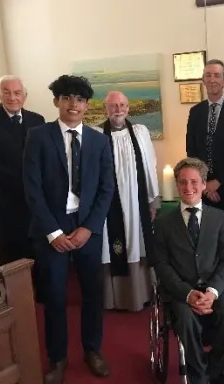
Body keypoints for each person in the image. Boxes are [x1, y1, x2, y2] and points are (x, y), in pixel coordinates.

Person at [23, 75, 115, 382]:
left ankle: (92, 349)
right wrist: (53, 232)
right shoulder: (37, 137)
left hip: (86, 227)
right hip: (52, 228)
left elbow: (106, 189)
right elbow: (32, 188)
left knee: (92, 292)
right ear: (56, 102)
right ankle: (58, 358)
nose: (73, 104)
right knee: (54, 296)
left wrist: (89, 228)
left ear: (87, 105)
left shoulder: (100, 140)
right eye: (66, 98)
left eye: (79, 99)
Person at [149, 157, 224, 384]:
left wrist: (213, 291)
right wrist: (187, 294)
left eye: (194, 182)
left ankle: (216, 370)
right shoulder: (163, 223)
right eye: (183, 182)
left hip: (215, 288)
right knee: (186, 321)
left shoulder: (220, 218)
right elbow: (161, 265)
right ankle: (199, 375)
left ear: (204, 184)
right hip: (181, 290)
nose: (189, 188)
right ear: (177, 185)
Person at [95, 90, 160, 312]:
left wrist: (153, 200)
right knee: (111, 246)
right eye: (113, 105)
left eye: (122, 105)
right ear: (105, 108)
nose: (118, 109)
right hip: (109, 204)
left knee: (138, 242)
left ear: (128, 107)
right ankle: (115, 298)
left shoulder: (140, 132)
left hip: (136, 201)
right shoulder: (96, 134)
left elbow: (150, 165)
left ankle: (141, 294)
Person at [0, 76, 45, 268]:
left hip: (37, 202)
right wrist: (27, 184)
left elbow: (43, 158)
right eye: (6, 92)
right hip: (8, 203)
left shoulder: (37, 120)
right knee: (12, 261)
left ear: (25, 95)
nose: (12, 97)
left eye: (17, 92)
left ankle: (43, 296)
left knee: (40, 255)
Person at [186, 59, 224, 285]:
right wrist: (203, 183)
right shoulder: (195, 111)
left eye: (217, 75)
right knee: (206, 238)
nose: (212, 80)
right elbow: (191, 151)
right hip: (203, 189)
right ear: (203, 80)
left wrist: (218, 182)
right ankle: (210, 281)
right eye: (208, 75)